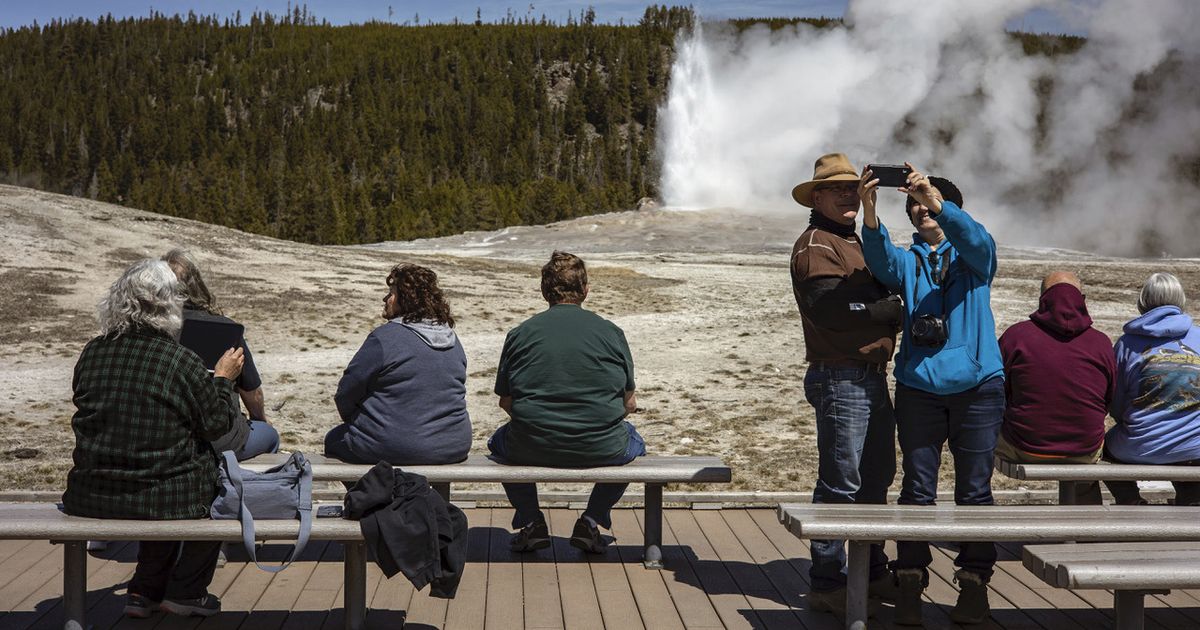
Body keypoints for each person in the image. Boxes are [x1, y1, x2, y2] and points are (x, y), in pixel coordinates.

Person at [859, 163, 1004, 625]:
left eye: (929, 201)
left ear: (951, 208)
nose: (921, 208)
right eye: (915, 203)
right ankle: (909, 580)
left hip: (979, 387)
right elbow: (881, 261)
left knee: (975, 492)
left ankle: (974, 584)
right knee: (917, 490)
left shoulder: (974, 257)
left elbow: (978, 241)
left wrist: (936, 196)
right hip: (920, 386)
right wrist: (869, 210)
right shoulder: (910, 261)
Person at [63, 259, 243, 619]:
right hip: (165, 495)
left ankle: (143, 592)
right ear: (170, 305)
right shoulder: (182, 361)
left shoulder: (92, 353)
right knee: (212, 485)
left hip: (91, 493)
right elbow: (217, 425)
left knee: (165, 474)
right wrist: (223, 379)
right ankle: (187, 591)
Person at [789, 152, 901, 616]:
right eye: (836, 189)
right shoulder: (816, 244)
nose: (847, 195)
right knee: (841, 482)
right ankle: (827, 580)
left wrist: (872, 302)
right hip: (841, 375)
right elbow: (830, 311)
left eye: (852, 188)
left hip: (868, 376)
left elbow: (854, 301)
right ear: (817, 197)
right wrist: (886, 309)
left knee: (876, 477)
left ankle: (870, 570)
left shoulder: (849, 240)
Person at [489, 251, 645, 554]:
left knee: (497, 442)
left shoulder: (520, 333)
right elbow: (629, 403)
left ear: (544, 290)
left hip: (530, 444)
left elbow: (506, 402)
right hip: (602, 445)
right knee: (636, 444)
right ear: (585, 290)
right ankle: (591, 520)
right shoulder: (611, 333)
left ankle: (532, 523)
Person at [326, 263, 471, 465]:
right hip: (454, 445)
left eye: (391, 293)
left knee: (333, 440)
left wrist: (358, 420)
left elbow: (347, 391)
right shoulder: (452, 339)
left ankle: (375, 496)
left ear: (408, 299)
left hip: (396, 445)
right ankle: (430, 497)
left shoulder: (385, 338)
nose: (385, 299)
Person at [997, 271, 1115, 504]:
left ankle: (977, 513)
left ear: (1043, 299)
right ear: (1082, 299)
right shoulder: (1101, 343)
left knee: (979, 436)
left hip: (1023, 446)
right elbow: (1109, 398)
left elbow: (998, 391)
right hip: (1083, 449)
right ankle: (1086, 527)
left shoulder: (1016, 336)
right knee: (1087, 460)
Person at [163, 249, 280, 460]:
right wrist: (259, 418)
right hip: (218, 437)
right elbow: (252, 392)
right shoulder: (223, 328)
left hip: (166, 433)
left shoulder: (153, 328)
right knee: (270, 435)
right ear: (197, 284)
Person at [1104, 272, 1200, 506]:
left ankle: (1129, 501)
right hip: (1195, 446)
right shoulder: (1198, 337)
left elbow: (1115, 401)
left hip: (1140, 444)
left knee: (1102, 449)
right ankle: (1191, 499)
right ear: (1181, 300)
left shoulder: (1127, 343)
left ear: (1143, 301)